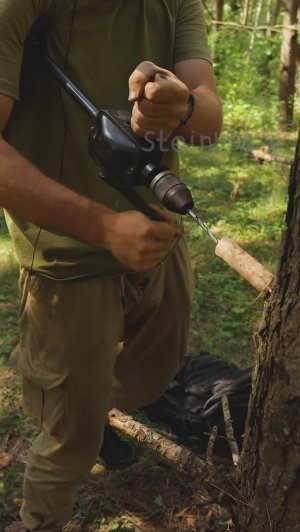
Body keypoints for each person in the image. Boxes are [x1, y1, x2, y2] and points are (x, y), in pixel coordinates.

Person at [0, 0, 222, 530]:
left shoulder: (177, 4)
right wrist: (101, 227)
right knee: (68, 436)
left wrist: (182, 106)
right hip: (67, 260)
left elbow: (209, 122)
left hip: (157, 238)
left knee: (147, 375)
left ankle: (80, 397)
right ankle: (41, 518)